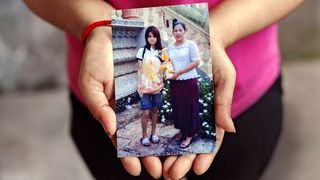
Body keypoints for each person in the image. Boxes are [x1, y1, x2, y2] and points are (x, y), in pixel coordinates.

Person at [23, 0, 304, 179]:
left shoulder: (188, 46)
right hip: (107, 94)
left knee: (189, 113)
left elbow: (184, 62)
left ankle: (184, 132)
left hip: (245, 91)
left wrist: (217, 32)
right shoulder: (151, 50)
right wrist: (96, 25)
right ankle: (160, 134)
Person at [166, 19, 201, 149]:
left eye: (180, 30)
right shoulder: (169, 47)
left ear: (185, 31)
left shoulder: (190, 44)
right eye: (175, 30)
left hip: (189, 81)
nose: (178, 33)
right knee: (178, 107)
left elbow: (196, 62)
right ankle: (182, 130)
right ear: (172, 32)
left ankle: (190, 135)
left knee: (190, 107)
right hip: (175, 82)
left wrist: (180, 72)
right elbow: (167, 63)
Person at [136, 26, 164, 146]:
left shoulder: (161, 52)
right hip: (145, 86)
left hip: (157, 85)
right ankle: (144, 136)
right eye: (149, 36)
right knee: (146, 112)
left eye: (154, 36)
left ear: (157, 37)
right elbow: (139, 69)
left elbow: (162, 70)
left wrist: (161, 83)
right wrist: (138, 85)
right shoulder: (142, 51)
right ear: (146, 37)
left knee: (155, 110)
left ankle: (153, 133)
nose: (152, 39)